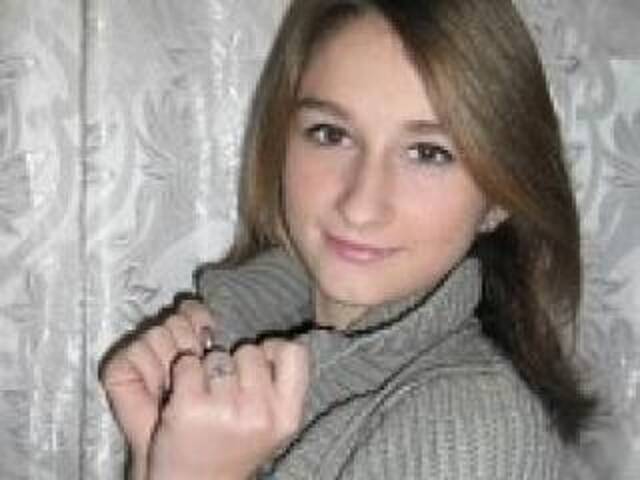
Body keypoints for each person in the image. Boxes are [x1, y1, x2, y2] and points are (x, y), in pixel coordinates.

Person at [100, 0, 598, 478]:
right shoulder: (222, 360)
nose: (360, 205)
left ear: (499, 197)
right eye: (331, 134)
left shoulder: (475, 433)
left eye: (428, 153)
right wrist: (154, 451)